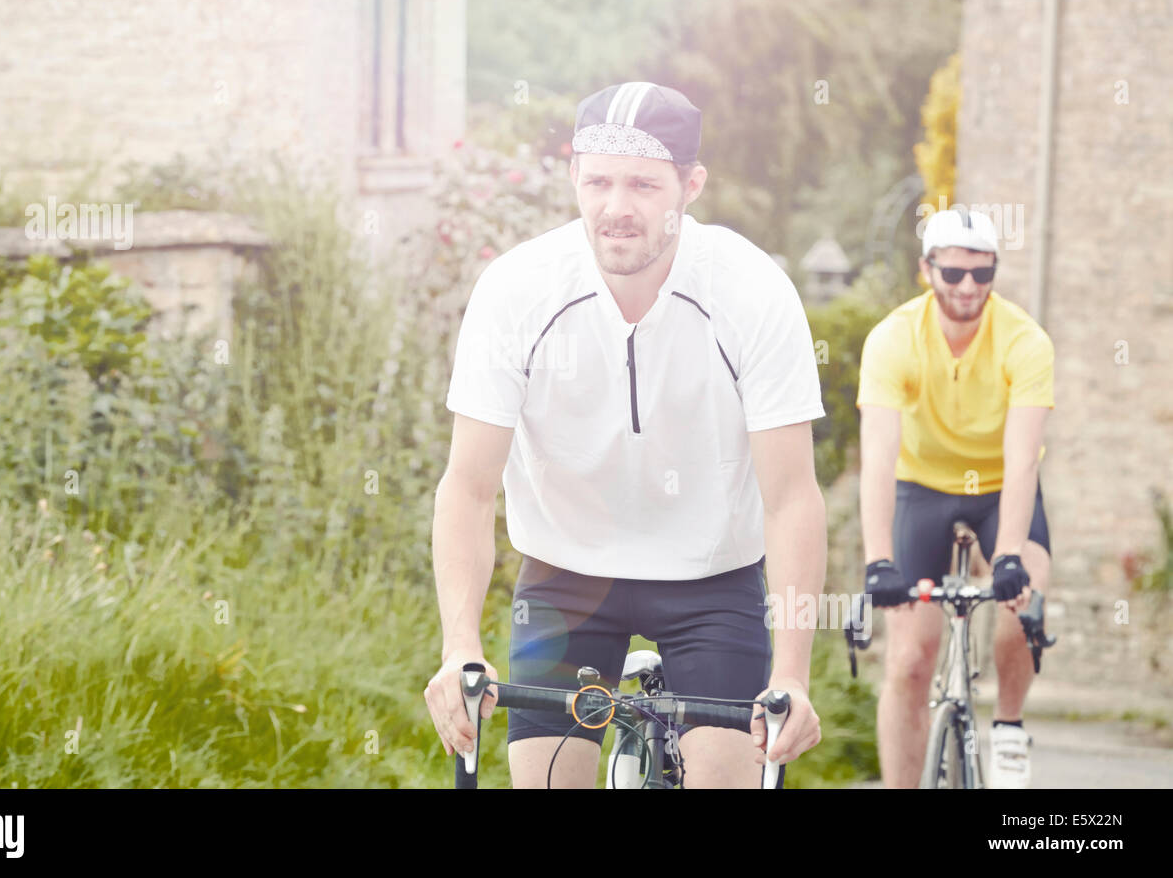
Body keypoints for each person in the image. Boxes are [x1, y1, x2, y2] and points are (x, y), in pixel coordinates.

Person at [424, 81, 827, 787]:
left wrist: (791, 675)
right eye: (599, 180)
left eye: (643, 184)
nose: (617, 207)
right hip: (566, 577)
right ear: (574, 177)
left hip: (713, 580)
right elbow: (467, 485)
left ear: (689, 185)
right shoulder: (517, 290)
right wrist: (461, 647)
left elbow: (792, 497)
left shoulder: (752, 290)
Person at [857, 208, 1054, 788]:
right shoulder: (893, 338)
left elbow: (1022, 459)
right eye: (953, 273)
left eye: (982, 273)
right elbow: (878, 460)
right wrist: (877, 561)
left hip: (1000, 487)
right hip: (921, 487)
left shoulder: (1025, 340)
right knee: (911, 660)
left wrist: (1011, 555)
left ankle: (1010, 727)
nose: (968, 287)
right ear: (927, 270)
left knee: (1025, 604)